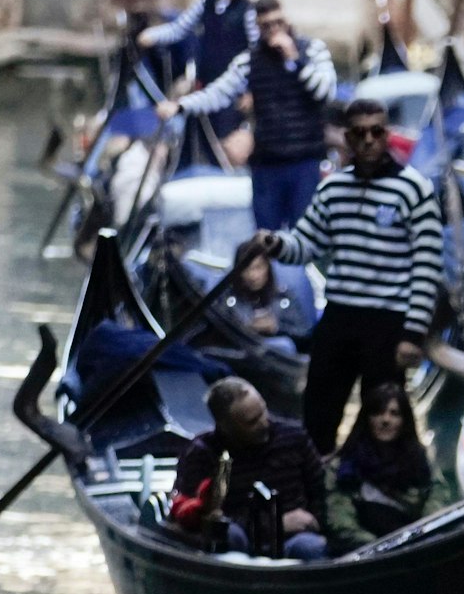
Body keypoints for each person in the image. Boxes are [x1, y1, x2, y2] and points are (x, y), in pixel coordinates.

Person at [252, 99, 444, 455]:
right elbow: (306, 244)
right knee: (318, 409)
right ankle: (313, 485)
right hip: (340, 314)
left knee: (382, 415)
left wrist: (412, 333)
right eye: (360, 133)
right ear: (348, 139)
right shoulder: (333, 189)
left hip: (388, 320)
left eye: (376, 131)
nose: (369, 140)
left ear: (386, 135)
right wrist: (274, 243)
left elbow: (428, 266)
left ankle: (376, 491)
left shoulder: (414, 190)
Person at [157, 0, 336, 231]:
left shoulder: (312, 51)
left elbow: (325, 92)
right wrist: (181, 106)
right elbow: (218, 94)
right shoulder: (249, 62)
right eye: (267, 25)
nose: (274, 30)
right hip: (267, 164)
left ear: (287, 21)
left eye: (278, 23)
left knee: (302, 234)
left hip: (304, 161)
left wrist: (295, 60)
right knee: (265, 238)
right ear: (259, 28)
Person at [169, 377, 329, 561]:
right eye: (252, 421)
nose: (264, 423)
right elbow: (192, 515)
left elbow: (320, 488)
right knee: (226, 536)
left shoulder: (293, 438)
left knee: (311, 549)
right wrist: (274, 524)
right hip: (237, 540)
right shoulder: (203, 455)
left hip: (295, 538)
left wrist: (316, 522)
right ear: (225, 426)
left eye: (263, 411)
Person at [137, 0, 258, 166]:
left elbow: (255, 50)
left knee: (223, 143)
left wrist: (250, 90)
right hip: (205, 85)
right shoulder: (207, 3)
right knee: (195, 138)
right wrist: (150, 36)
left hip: (232, 92)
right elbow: (179, 28)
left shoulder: (247, 10)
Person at [334, 383, 433, 537]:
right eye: (378, 412)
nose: (386, 420)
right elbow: (340, 519)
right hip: (364, 550)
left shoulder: (420, 463)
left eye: (394, 413)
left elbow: (436, 506)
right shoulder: (343, 466)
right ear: (367, 418)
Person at [214, 238, 310, 354]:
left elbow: (305, 336)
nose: (253, 275)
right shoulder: (226, 299)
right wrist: (246, 328)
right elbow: (216, 333)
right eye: (246, 268)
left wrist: (276, 328)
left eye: (258, 267)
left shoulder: (284, 298)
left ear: (267, 267)